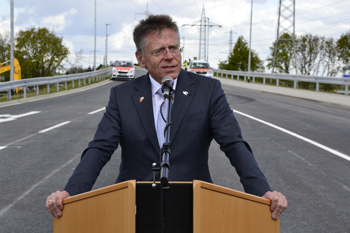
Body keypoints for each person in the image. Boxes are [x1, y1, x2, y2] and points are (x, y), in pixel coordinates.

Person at [46, 14, 287, 220]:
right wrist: (72, 192)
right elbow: (100, 148)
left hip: (194, 204)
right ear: (140, 58)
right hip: (134, 206)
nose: (170, 56)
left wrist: (261, 192)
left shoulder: (208, 90)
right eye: (159, 51)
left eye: (174, 48)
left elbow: (234, 144)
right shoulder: (122, 96)